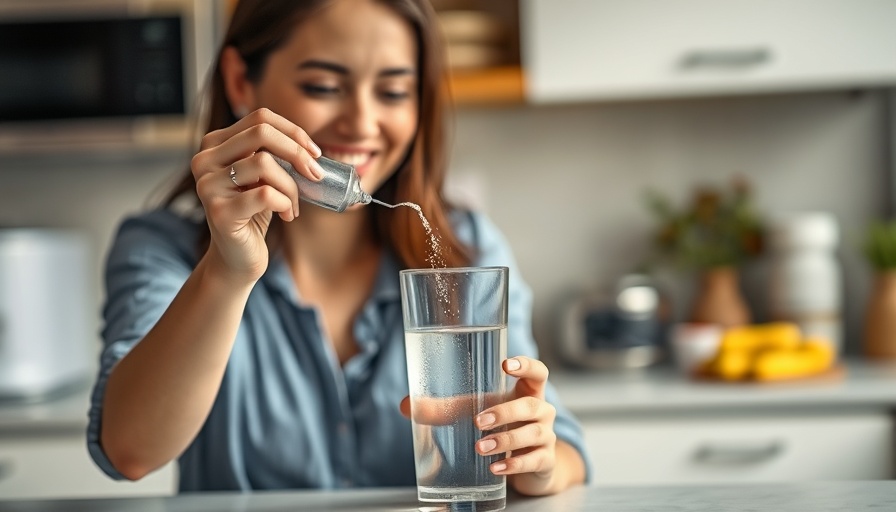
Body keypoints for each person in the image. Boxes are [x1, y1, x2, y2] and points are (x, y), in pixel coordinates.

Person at [87, 0, 590, 496]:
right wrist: (225, 272)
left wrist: (535, 460)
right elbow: (129, 451)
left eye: (393, 92)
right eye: (323, 86)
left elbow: (564, 453)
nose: (362, 122)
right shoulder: (163, 249)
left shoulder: (468, 250)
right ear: (241, 81)